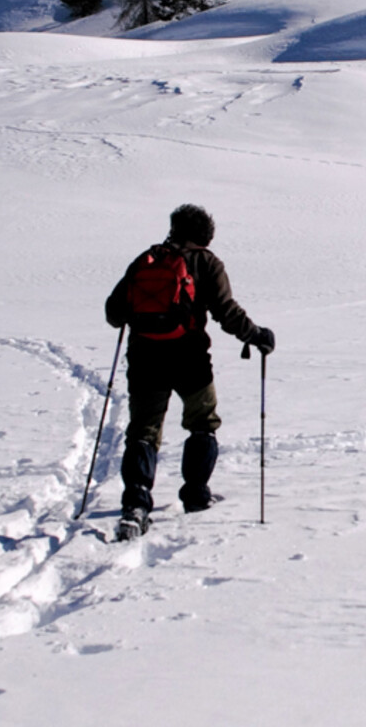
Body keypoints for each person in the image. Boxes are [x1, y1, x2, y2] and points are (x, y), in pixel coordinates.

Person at [104, 203, 273, 540]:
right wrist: (256, 336)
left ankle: (136, 505)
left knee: (144, 429)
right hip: (190, 358)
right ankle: (196, 495)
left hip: (144, 358)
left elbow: (113, 313)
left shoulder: (146, 260)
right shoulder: (207, 263)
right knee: (202, 421)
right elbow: (226, 311)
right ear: (204, 235)